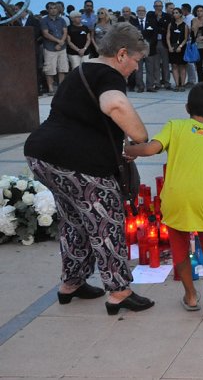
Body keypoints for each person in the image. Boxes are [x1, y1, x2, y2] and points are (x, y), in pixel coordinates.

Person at [24, 22, 154, 315]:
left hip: (42, 156)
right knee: (106, 221)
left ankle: (71, 283)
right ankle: (119, 291)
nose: (135, 67)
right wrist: (141, 137)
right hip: (78, 164)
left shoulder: (82, 70)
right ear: (122, 54)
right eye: (136, 60)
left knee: (75, 220)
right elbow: (115, 105)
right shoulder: (108, 75)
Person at [124, 83, 203, 323]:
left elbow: (150, 149)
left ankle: (191, 296)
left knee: (180, 248)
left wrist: (127, 149)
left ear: (186, 108)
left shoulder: (175, 126)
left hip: (174, 198)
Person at [40, 2, 69, 95]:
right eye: (51, 8)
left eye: (55, 8)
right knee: (50, 69)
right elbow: (45, 33)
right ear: (48, 10)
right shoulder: (44, 20)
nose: (53, 10)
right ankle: (51, 89)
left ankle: (61, 87)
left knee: (62, 68)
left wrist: (61, 42)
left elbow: (65, 32)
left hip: (62, 47)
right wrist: (58, 41)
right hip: (50, 47)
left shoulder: (62, 20)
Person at [146, 0, 171, 90]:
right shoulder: (150, 15)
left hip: (164, 42)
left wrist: (160, 19)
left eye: (160, 6)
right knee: (156, 64)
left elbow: (166, 26)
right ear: (153, 6)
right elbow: (152, 26)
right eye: (156, 6)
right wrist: (157, 18)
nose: (158, 8)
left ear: (162, 7)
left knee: (165, 64)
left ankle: (167, 82)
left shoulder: (167, 16)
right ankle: (157, 83)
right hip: (154, 42)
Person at [166, 8, 189, 91]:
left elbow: (186, 38)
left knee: (182, 66)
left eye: (176, 13)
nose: (175, 14)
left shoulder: (185, 25)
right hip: (172, 46)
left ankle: (182, 84)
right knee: (174, 65)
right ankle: (177, 84)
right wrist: (169, 46)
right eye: (173, 13)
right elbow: (168, 37)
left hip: (181, 47)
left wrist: (180, 46)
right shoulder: (170, 25)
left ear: (180, 14)